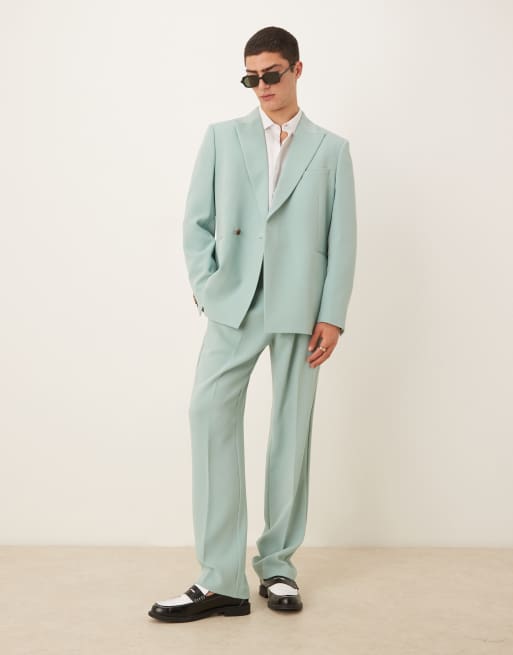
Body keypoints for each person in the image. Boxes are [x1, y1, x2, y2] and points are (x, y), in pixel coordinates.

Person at [148, 25, 357, 623]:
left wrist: (333, 314)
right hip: (235, 302)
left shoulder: (331, 149)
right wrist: (208, 288)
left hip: (302, 307)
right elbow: (196, 222)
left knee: (291, 431)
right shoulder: (222, 137)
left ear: (296, 70)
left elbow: (343, 236)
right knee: (208, 413)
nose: (262, 86)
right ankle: (220, 578)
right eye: (251, 77)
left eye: (271, 74)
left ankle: (278, 565)